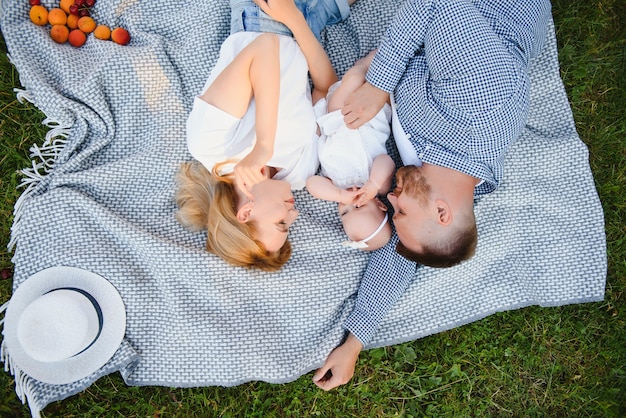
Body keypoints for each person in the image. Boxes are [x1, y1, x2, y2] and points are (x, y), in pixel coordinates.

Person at [313, 0, 552, 389]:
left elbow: (400, 261)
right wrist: (378, 83)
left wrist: (353, 344)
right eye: (400, 212)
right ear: (442, 212)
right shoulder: (480, 103)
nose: (389, 200)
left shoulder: (451, 186)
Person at [175, 0, 351, 271]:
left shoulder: (210, 146)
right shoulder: (299, 176)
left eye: (282, 223)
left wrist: (264, 145)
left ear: (246, 213)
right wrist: (296, 22)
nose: (295, 214)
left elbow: (265, 47)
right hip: (307, 30)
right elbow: (326, 89)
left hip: (263, 16)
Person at [306, 51, 395, 251]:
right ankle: (366, 65)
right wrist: (373, 183)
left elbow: (311, 184)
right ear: (380, 204)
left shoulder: (336, 186)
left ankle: (358, 70)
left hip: (337, 117)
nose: (350, 200)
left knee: (341, 87)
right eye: (360, 205)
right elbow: (386, 161)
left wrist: (338, 194)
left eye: (345, 212)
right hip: (370, 118)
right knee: (368, 82)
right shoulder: (378, 186)